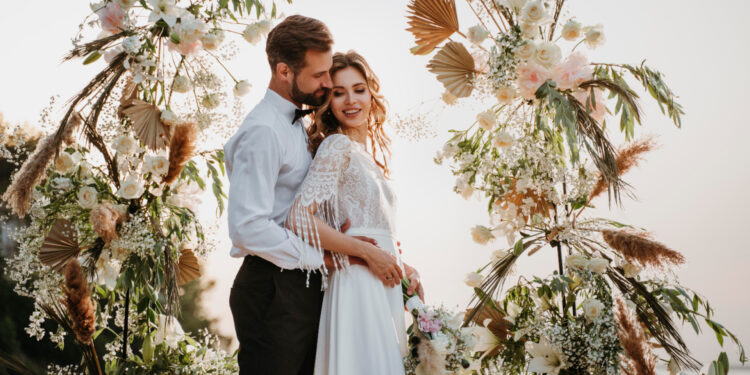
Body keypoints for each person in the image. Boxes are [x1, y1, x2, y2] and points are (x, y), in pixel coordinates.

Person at [224, 16, 409, 375]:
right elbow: (248, 227)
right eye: (320, 76)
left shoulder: (299, 125)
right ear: (283, 71)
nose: (327, 84)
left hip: (306, 286)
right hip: (271, 285)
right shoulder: (263, 131)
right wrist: (326, 256)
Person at [286, 50, 423, 375]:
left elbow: (374, 229)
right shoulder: (336, 146)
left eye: (358, 89)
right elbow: (298, 218)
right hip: (356, 288)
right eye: (338, 92)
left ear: (371, 93)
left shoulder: (364, 156)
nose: (351, 100)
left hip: (381, 287)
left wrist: (404, 269)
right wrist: (367, 253)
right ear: (328, 102)